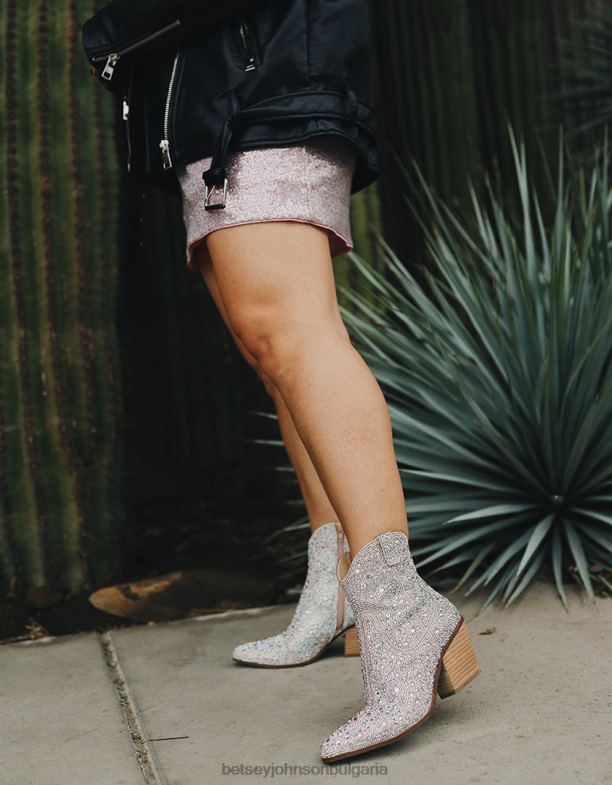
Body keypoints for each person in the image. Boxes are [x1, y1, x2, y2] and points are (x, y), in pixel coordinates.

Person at [82, 0, 480, 762]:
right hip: (218, 95)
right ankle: (334, 584)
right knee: (274, 353)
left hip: (264, 80)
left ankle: (400, 608)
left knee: (295, 337)